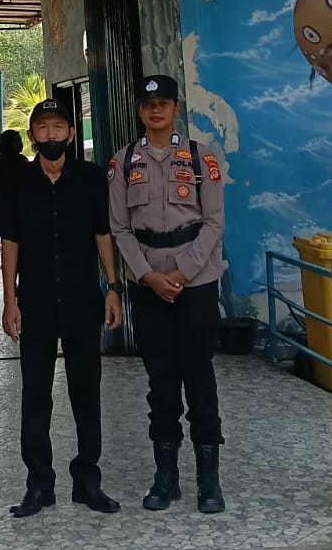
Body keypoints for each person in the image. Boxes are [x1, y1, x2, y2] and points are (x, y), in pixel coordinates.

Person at [0, 99, 123, 519]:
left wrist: (112, 287)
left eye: (58, 127)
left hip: (83, 302)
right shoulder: (17, 180)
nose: (50, 135)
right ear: (32, 135)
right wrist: (9, 300)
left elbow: (102, 233)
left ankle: (88, 481)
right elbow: (10, 242)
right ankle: (39, 485)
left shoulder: (90, 178)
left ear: (70, 133)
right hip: (34, 305)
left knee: (86, 394)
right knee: (35, 397)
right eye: (42, 127)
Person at [108, 74, 227, 515]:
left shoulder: (201, 157)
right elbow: (120, 228)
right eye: (147, 104)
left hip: (195, 284)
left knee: (199, 379)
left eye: (163, 103)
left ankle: (209, 482)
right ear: (140, 111)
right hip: (148, 287)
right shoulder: (123, 162)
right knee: (160, 382)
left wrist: (182, 272)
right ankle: (166, 478)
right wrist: (147, 276)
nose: (155, 110)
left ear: (176, 107)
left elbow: (213, 222)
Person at [0, 128, 27, 234]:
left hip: (0, 214)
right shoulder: (18, 161)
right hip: (16, 214)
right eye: (18, 141)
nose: (21, 144)